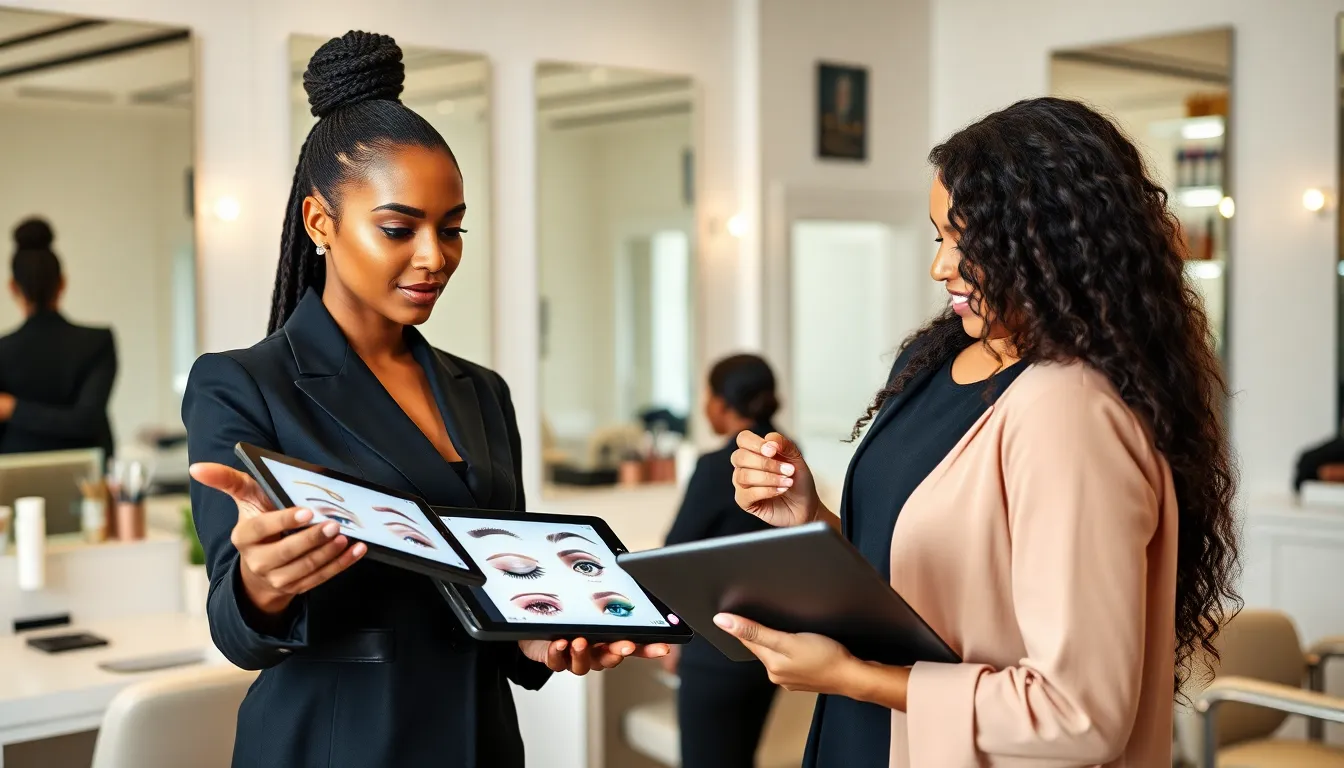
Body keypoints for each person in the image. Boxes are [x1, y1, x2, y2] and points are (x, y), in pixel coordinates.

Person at [183, 32, 665, 768]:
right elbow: (236, 631)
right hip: (338, 748)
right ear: (321, 224)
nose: (434, 256)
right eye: (399, 229)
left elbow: (497, 590)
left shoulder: (484, 392)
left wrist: (539, 635)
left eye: (452, 228)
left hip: (480, 743)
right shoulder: (245, 385)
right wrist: (258, 581)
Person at [717, 97, 1239, 767]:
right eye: (941, 236)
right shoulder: (931, 365)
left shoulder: (1069, 411)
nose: (942, 266)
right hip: (868, 738)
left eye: (971, 240)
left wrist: (850, 677)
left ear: (1053, 240)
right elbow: (913, 589)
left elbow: (1078, 716)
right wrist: (807, 519)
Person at [663, 354, 781, 768]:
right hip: (770, 646)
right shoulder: (786, 456)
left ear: (719, 403)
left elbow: (674, 556)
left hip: (716, 647)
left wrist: (673, 635)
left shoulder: (719, 467)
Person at [0, 217, 116, 458]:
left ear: (12, 287)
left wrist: (12, 408)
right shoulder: (98, 343)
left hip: (14, 481)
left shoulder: (3, 351)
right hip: (88, 481)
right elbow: (86, 420)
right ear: (62, 283)